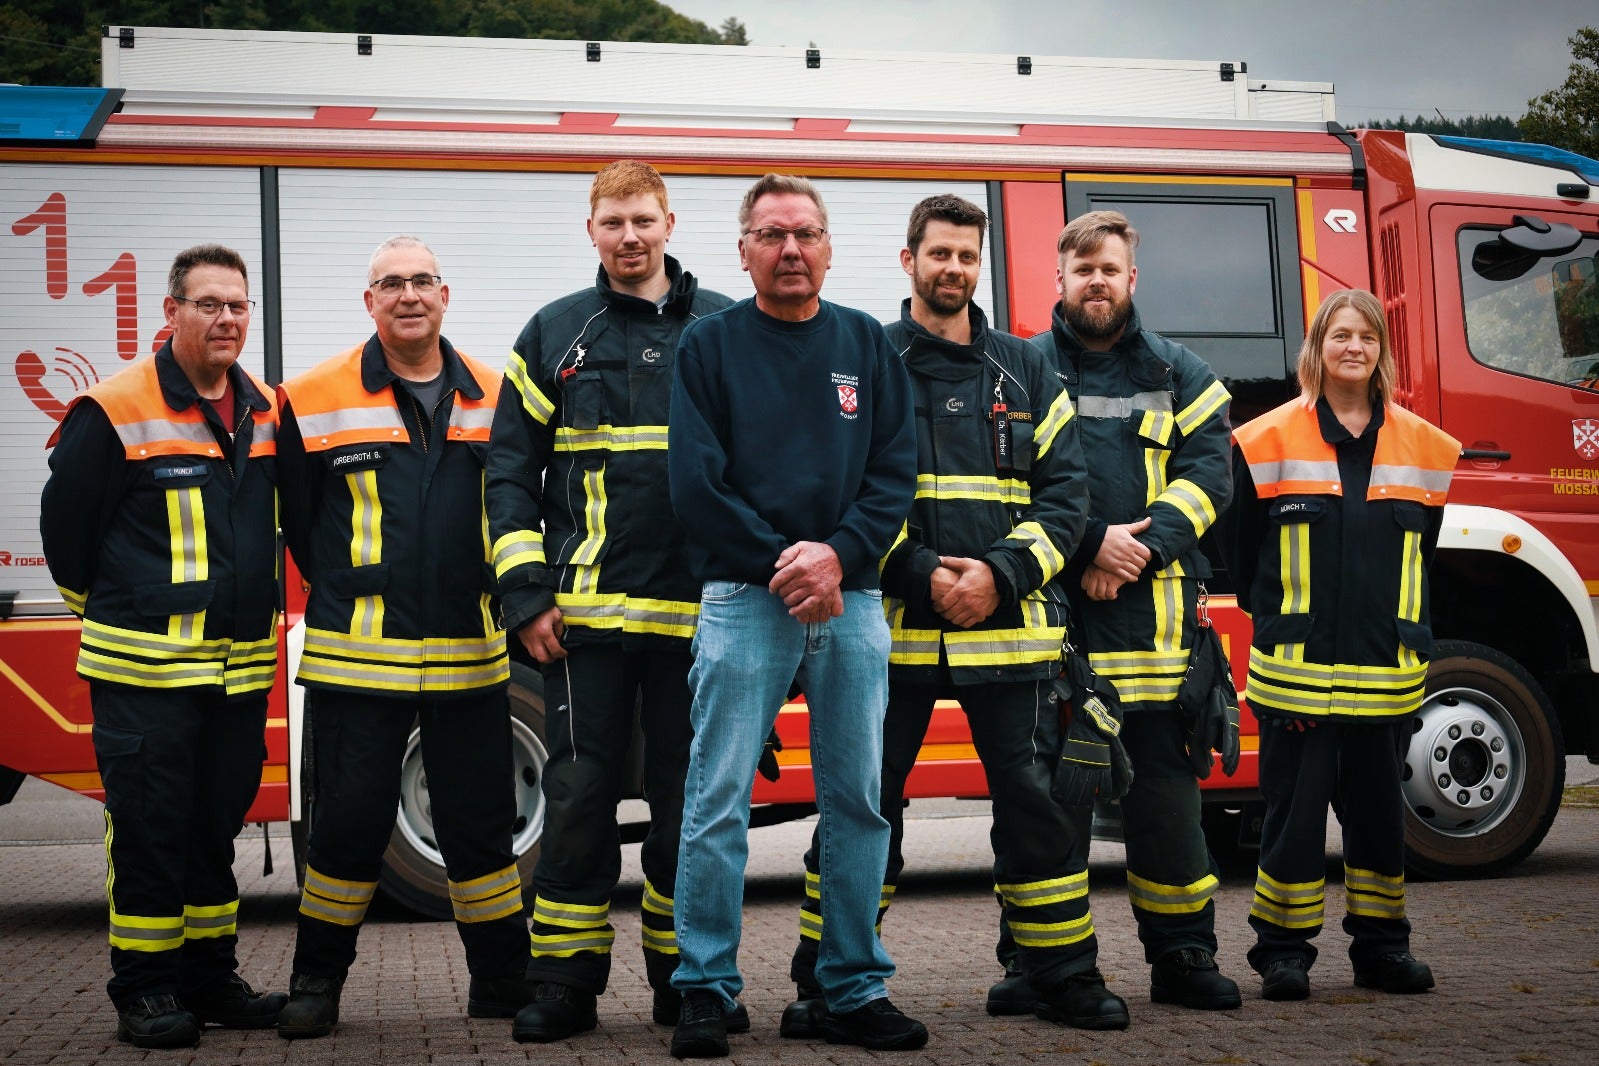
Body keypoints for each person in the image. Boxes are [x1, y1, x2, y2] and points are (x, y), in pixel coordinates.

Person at [777, 194, 1126, 1032]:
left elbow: (1065, 497)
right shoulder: (865, 359)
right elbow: (836, 489)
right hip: (889, 637)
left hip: (1008, 633)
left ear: (981, 266)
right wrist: (922, 572)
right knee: (864, 810)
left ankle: (1059, 974)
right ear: (908, 261)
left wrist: (999, 579)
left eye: (967, 257)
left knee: (1036, 811)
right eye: (938, 254)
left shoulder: (1025, 368)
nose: (954, 269)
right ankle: (827, 982)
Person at [665, 174, 922, 1058]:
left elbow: (895, 474)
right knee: (716, 800)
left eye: (805, 234)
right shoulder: (709, 348)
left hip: (849, 599)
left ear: (827, 245)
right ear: (741, 249)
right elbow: (694, 485)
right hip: (745, 599)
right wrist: (788, 562)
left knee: (859, 802)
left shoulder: (866, 345)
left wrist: (839, 556)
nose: (789, 250)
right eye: (770, 235)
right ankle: (704, 989)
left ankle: (849, 987)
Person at [484, 161, 734, 1043]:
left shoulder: (725, 330)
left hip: (701, 623)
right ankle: (562, 983)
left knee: (687, 803)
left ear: (671, 222)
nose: (629, 237)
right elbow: (509, 474)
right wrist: (524, 594)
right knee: (579, 795)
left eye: (642, 220)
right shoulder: (555, 333)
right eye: (611, 222)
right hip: (580, 624)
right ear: (589, 231)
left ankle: (684, 979)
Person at [273, 236, 529, 1038]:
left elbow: (520, 505)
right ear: (369, 302)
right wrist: (356, 592)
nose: (408, 295)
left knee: (480, 827)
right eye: (391, 283)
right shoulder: (310, 397)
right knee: (346, 827)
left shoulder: (497, 393)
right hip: (357, 659)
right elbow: (300, 524)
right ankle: (316, 983)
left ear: (445, 295)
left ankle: (500, 983)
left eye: (422, 281)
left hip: (470, 654)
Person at [40, 244, 286, 1048]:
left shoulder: (263, 410)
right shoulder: (113, 409)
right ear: (171, 313)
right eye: (208, 304)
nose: (226, 319)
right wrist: (124, 617)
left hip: (238, 674)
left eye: (238, 306)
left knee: (216, 828)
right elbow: (67, 540)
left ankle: (209, 978)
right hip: (143, 676)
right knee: (149, 828)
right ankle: (143, 989)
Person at [1028, 210, 1242, 1015]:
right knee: (1048, 807)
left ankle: (1183, 957)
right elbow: (1015, 482)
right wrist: (1087, 545)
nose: (1095, 281)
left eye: (1108, 269)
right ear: (1059, 277)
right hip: (1056, 634)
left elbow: (1207, 480)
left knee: (1165, 805)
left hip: (1155, 642)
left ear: (1130, 279)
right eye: (1081, 268)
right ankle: (1034, 962)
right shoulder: (1024, 370)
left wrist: (1138, 552)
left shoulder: (1181, 371)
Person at [1227, 289, 1456, 1001]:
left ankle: (1382, 951)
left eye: (1365, 336)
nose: (1352, 347)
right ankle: (1282, 953)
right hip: (1295, 683)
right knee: (1291, 827)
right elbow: (1241, 563)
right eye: (1338, 335)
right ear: (1316, 349)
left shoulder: (1425, 447)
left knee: (1381, 826)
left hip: (1383, 680)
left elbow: (1425, 556)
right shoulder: (1262, 440)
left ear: (1380, 351)